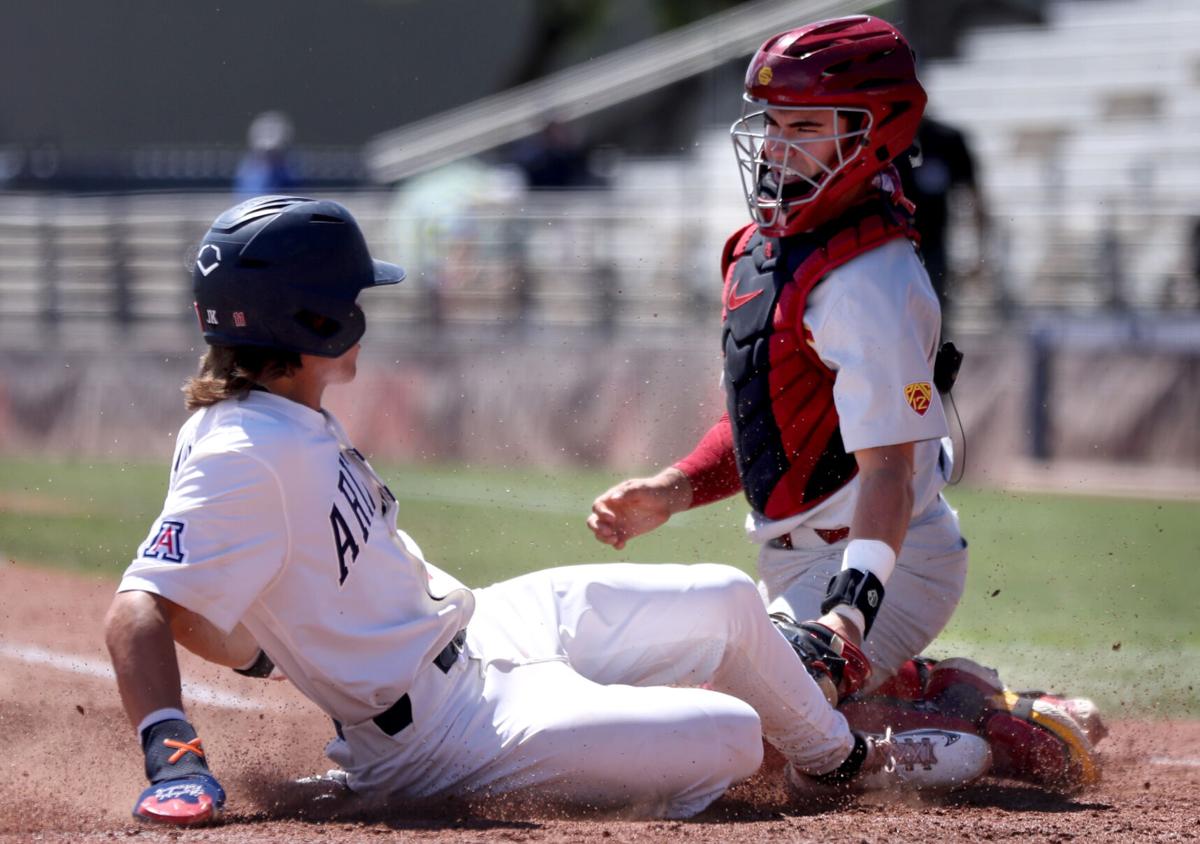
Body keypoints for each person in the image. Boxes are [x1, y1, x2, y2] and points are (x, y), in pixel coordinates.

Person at [104, 195, 990, 827]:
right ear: (313, 322)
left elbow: (221, 602)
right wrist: (171, 751)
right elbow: (141, 609)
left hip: (480, 631)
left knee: (724, 597)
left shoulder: (275, 417)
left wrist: (283, 652)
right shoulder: (241, 450)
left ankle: (834, 761)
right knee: (727, 732)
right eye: (352, 298)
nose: (362, 312)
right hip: (443, 732)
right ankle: (393, 783)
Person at [587, 15, 1102, 791]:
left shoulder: (871, 277)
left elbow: (890, 470)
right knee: (714, 729)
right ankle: (926, 691)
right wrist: (675, 487)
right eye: (772, 124)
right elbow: (775, 426)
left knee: (734, 758)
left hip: (883, 563)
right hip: (803, 563)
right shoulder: (767, 252)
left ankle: (998, 730)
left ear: (876, 134)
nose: (775, 146)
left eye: (805, 126)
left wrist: (845, 625)